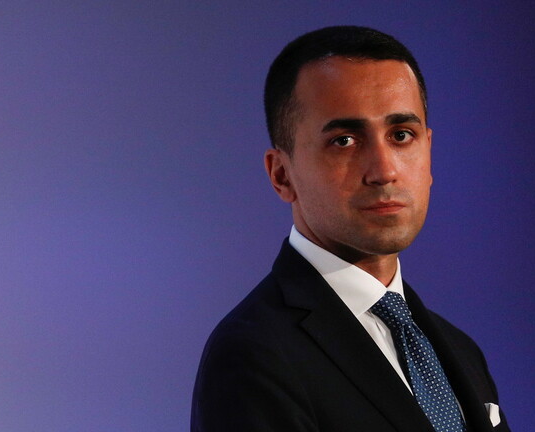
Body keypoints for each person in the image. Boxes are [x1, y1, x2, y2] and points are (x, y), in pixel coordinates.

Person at [191, 26, 509, 432]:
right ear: (281, 174)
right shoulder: (252, 354)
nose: (384, 171)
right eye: (344, 140)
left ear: (428, 151)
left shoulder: (460, 350)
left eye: (401, 135)